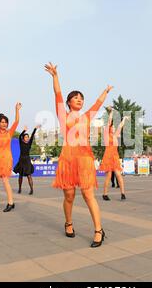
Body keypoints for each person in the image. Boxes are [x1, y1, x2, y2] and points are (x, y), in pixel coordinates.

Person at [45, 62, 112, 248]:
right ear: (68, 102)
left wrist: (105, 92)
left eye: (81, 98)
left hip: (84, 159)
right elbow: (57, 95)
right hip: (67, 159)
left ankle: (99, 230)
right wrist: (55, 76)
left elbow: (98, 104)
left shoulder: (87, 116)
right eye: (75, 97)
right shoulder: (63, 115)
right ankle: (68, 222)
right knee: (69, 195)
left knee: (88, 194)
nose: (79, 100)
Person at [0, 100, 21, 212]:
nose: (4, 124)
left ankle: (11, 202)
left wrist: (16, 110)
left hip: (6, 158)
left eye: (5, 122)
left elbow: (16, 121)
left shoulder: (9, 133)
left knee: (5, 179)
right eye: (2, 122)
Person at [99, 106, 128, 201]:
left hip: (115, 156)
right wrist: (111, 112)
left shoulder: (115, 135)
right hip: (108, 156)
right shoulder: (107, 134)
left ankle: (123, 193)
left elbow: (120, 126)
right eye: (113, 127)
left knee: (118, 175)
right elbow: (109, 122)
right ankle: (105, 194)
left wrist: (124, 119)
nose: (114, 127)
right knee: (108, 176)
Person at [14, 125, 40, 195]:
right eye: (26, 137)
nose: (27, 138)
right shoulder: (21, 142)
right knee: (20, 175)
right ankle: (19, 188)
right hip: (21, 160)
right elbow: (20, 136)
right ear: (23, 138)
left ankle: (31, 189)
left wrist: (35, 129)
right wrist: (24, 131)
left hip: (27, 160)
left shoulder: (29, 143)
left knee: (29, 175)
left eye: (28, 137)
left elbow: (32, 136)